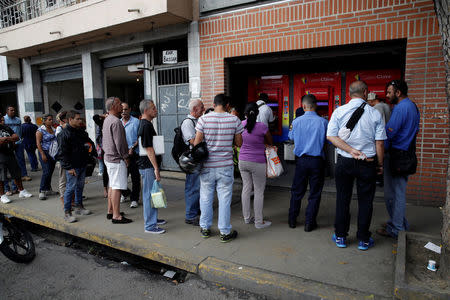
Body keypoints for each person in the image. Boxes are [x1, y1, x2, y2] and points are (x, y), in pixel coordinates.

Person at [327, 81, 386, 251]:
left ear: (349, 94)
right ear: (366, 92)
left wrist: (351, 150)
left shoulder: (339, 111)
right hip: (367, 162)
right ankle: (363, 240)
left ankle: (340, 236)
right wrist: (380, 165)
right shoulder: (375, 114)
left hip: (345, 161)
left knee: (342, 199)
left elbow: (331, 137)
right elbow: (380, 144)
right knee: (366, 201)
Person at [194, 93, 244, 242]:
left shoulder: (203, 119)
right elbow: (239, 143)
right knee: (224, 199)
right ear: (227, 105)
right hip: (225, 166)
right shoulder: (234, 119)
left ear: (214, 104)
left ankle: (205, 228)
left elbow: (197, 144)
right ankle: (224, 231)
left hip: (207, 166)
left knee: (206, 197)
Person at [377, 80, 420, 239]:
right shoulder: (413, 106)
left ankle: (396, 228)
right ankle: (399, 223)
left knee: (392, 194)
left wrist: (380, 153)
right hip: (407, 154)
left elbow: (389, 134)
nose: (387, 96)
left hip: (396, 156)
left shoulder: (401, 108)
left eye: (389, 92)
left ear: (398, 92)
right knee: (399, 192)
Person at [288, 94, 328, 232]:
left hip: (301, 161)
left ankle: (292, 220)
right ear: (315, 105)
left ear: (303, 106)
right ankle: (309, 223)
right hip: (317, 161)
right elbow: (328, 140)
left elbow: (291, 137)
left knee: (297, 191)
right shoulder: (323, 122)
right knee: (315, 193)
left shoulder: (296, 121)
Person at [238, 102, 272, 229]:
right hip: (258, 161)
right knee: (258, 191)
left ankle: (247, 218)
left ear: (245, 114)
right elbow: (270, 141)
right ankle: (258, 222)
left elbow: (239, 143)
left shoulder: (240, 125)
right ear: (257, 113)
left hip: (243, 161)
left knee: (246, 188)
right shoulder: (262, 127)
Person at [58, 110, 95, 223]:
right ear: (70, 119)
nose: (80, 120)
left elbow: (90, 143)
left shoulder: (81, 132)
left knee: (80, 186)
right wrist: (69, 168)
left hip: (82, 164)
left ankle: (79, 207)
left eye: (80, 118)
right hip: (72, 167)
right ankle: (67, 212)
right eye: (77, 119)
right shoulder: (64, 134)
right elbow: (62, 154)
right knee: (70, 188)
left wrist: (90, 151)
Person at [137, 99, 167, 233]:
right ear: (146, 111)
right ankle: (149, 225)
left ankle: (153, 219)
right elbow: (148, 148)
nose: (156, 110)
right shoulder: (146, 125)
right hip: (148, 166)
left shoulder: (145, 124)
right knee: (149, 195)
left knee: (153, 193)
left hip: (147, 165)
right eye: (153, 108)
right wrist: (156, 168)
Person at [102, 97, 132, 224]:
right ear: (114, 106)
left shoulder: (108, 119)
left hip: (109, 158)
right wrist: (126, 157)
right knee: (117, 187)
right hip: (116, 159)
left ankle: (111, 211)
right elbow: (120, 143)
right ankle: (116, 215)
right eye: (120, 104)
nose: (122, 106)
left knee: (112, 185)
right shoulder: (116, 121)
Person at [181, 99, 205, 226]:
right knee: (193, 187)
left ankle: (195, 211)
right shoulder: (187, 123)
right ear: (195, 109)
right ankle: (190, 216)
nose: (204, 109)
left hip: (199, 159)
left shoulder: (198, 121)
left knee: (198, 187)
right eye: (202, 107)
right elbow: (193, 141)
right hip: (193, 161)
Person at [0, 114, 33, 204]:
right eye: (1, 120)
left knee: (16, 172)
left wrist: (6, 139)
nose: (3, 122)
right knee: (2, 176)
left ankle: (21, 190)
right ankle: (2, 195)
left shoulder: (6, 128)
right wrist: (8, 139)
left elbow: (16, 137)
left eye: (3, 120)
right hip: (1, 155)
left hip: (10, 153)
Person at [120, 102, 141, 208]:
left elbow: (139, 138)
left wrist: (132, 147)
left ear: (130, 110)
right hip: (121, 155)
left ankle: (134, 199)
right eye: (122, 109)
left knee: (135, 178)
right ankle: (125, 193)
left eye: (126, 109)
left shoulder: (136, 122)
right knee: (121, 177)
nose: (123, 112)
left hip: (134, 154)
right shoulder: (118, 123)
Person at [4, 106, 30, 182]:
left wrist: (20, 139)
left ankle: (24, 175)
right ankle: (11, 176)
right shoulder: (4, 119)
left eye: (14, 110)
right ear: (7, 111)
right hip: (8, 143)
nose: (13, 112)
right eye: (11, 110)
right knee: (9, 160)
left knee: (21, 159)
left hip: (18, 143)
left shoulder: (18, 120)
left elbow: (20, 131)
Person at [36, 114, 57, 200]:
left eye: (52, 119)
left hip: (53, 153)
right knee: (46, 171)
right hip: (44, 152)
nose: (51, 121)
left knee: (51, 171)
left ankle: (48, 189)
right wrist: (42, 154)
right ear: (44, 121)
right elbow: (38, 143)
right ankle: (42, 190)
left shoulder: (53, 129)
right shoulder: (40, 130)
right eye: (49, 120)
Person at [93, 113, 108, 198]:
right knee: (105, 171)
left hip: (114, 150)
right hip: (104, 150)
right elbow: (95, 117)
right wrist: (104, 116)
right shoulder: (102, 124)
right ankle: (105, 189)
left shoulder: (115, 121)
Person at [55, 111, 68, 205]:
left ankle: (71, 198)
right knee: (63, 180)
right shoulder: (59, 129)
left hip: (70, 158)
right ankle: (63, 199)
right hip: (62, 158)